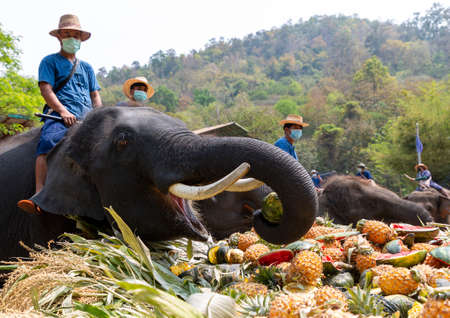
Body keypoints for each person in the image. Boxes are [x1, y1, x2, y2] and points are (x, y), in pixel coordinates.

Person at [17, 14, 102, 214]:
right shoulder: (49, 61)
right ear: (60, 37)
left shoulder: (87, 67)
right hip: (60, 117)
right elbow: (46, 89)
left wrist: (98, 117)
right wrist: (62, 111)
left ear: (81, 39)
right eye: (68, 34)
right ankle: (39, 194)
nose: (72, 38)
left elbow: (95, 95)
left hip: (86, 119)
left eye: (76, 35)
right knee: (48, 143)